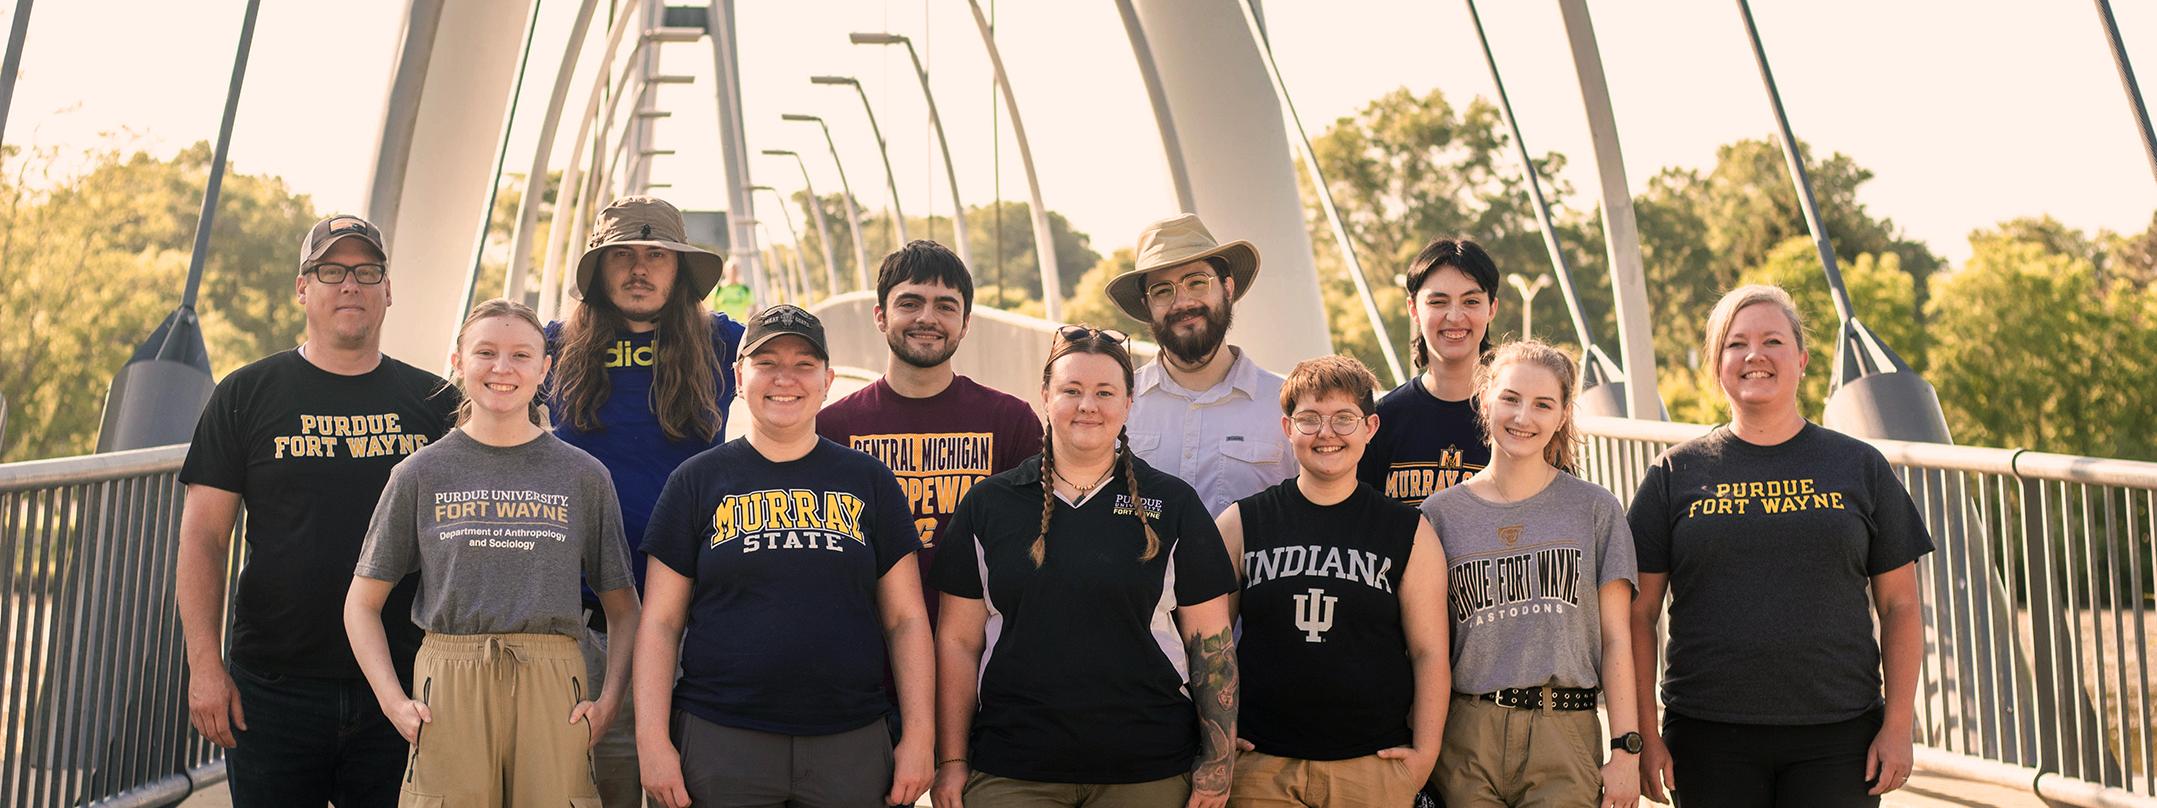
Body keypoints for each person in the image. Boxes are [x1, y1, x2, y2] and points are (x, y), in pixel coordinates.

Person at [174, 214, 459, 807]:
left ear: (388, 290)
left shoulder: (437, 403)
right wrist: (205, 667)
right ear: (302, 288)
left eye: (366, 271)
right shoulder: (246, 395)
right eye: (331, 271)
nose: (349, 285)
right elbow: (204, 539)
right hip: (274, 687)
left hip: (406, 687)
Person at [1626, 285, 1931, 807]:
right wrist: (1644, 738)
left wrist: (1898, 726)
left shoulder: (1861, 467)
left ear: (1802, 360)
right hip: (1707, 734)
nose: (1754, 356)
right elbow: (1638, 614)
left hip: (1839, 735)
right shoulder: (1674, 473)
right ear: (1717, 363)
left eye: (1772, 341)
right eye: (1736, 344)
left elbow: (1901, 606)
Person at [633, 305, 934, 808]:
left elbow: (905, 618)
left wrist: (920, 737)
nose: (784, 379)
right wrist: (652, 740)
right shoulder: (696, 480)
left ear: (827, 379)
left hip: (850, 739)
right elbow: (661, 622)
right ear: (738, 376)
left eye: (803, 364)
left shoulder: (869, 480)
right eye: (767, 362)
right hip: (720, 737)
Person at [345, 298, 641, 807]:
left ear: (545, 368)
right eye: (486, 352)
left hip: (555, 681)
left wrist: (610, 701)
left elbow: (624, 607)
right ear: (458, 362)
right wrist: (394, 703)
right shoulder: (419, 474)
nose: (502, 369)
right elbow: (361, 604)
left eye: (521, 355)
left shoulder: (583, 476)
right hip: (451, 680)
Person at [930, 325, 1239, 808]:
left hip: (1148, 768)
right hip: (1013, 766)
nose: (1087, 405)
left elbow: (1211, 645)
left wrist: (1217, 766)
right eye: (1071, 390)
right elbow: (958, 642)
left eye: (1104, 392)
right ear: (1045, 396)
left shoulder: (1174, 504)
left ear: (1129, 402)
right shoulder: (990, 504)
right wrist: (951, 762)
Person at [546, 194, 746, 806]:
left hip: (689, 606)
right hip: (581, 610)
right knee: (594, 776)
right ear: (598, 271)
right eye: (622, 256)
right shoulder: (550, 347)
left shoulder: (729, 345)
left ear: (679, 268)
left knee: (682, 779)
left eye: (656, 254)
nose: (639, 269)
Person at [1216, 354, 1449, 808]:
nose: (1326, 433)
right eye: (1309, 419)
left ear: (1370, 428)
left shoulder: (1408, 531)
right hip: (1261, 764)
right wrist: (1219, 738)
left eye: (1344, 418)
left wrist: (1423, 755)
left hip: (1371, 765)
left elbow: (1429, 651)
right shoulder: (1242, 523)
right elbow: (1210, 645)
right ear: (1287, 429)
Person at [1421, 340, 1641, 808]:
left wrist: (1626, 750)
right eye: (1511, 399)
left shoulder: (1595, 510)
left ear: (1562, 415)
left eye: (1543, 404)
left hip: (1564, 734)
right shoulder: (1438, 517)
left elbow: (1617, 637)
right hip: (1467, 734)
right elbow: (1422, 647)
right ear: (1485, 400)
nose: (1524, 417)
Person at [818, 240, 1042, 632]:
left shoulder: (1010, 421)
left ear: (966, 322)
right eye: (909, 303)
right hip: (867, 654)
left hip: (982, 652)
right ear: (880, 316)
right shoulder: (833, 428)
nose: (927, 318)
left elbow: (1035, 550)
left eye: (945, 306)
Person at [1108, 213, 1297, 516]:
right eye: (1162, 290)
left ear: (1228, 288)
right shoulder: (1115, 405)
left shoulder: (1287, 406)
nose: (1182, 302)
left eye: (1197, 282)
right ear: (1146, 306)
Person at [1359, 238, 1499, 507]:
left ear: (1491, 308)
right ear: (1413, 309)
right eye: (1438, 302)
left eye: (1471, 301)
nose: (1455, 317)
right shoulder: (1381, 421)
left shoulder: (1516, 419)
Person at [707, 256, 755, 321]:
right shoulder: (719, 289)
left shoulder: (745, 289)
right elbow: (711, 309)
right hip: (723, 327)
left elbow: (753, 307)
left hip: (741, 327)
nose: (733, 273)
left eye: (735, 270)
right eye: (731, 270)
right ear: (725, 271)